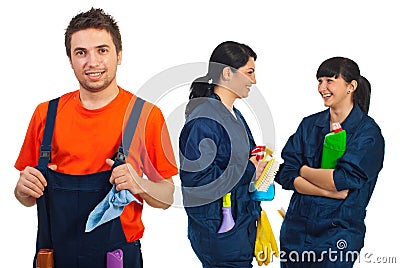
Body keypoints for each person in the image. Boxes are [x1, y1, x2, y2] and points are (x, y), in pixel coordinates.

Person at [14, 8, 178, 268]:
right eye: (81, 52)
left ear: (119, 55)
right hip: (54, 257)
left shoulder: (146, 115)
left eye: (102, 50)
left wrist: (139, 184)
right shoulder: (46, 114)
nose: (92, 62)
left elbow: (167, 198)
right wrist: (22, 190)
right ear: (70, 59)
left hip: (117, 258)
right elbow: (25, 197)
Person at [276, 56, 385, 267]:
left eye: (329, 80)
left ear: (350, 86)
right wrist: (325, 190)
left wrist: (303, 170)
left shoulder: (368, 134)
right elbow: (285, 174)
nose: (322, 87)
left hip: (338, 234)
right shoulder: (309, 125)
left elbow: (341, 181)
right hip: (296, 230)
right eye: (319, 81)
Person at [179, 41, 264, 267]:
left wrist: (257, 164)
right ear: (228, 73)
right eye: (249, 72)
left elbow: (240, 162)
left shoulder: (234, 114)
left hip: (239, 224)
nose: (254, 80)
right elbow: (197, 182)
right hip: (220, 229)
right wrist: (249, 169)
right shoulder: (204, 119)